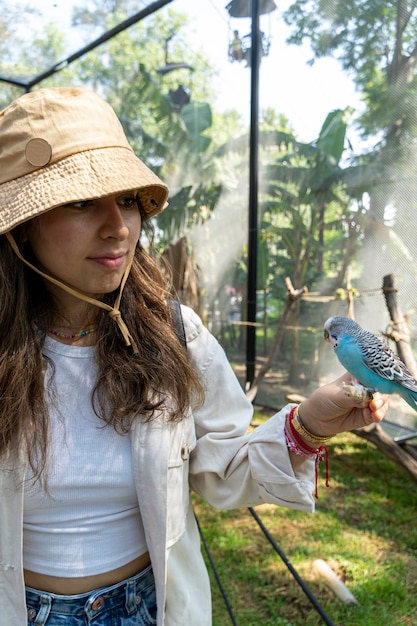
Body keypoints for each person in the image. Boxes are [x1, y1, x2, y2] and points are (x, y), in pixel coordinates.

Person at [0, 87, 388, 626]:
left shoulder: (174, 335)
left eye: (128, 199)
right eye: (80, 201)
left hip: (149, 607)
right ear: (23, 226)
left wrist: (307, 425)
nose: (118, 225)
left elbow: (224, 466)